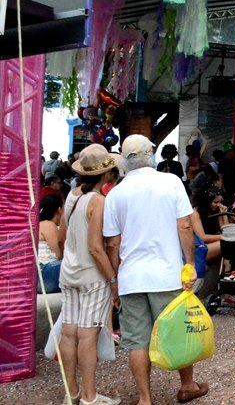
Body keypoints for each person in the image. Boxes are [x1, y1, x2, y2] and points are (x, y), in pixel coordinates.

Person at [102, 135, 207, 405]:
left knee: (137, 341)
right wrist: (190, 264)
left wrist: (115, 281)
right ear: (151, 154)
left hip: (132, 278)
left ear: (124, 161)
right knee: (178, 331)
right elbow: (185, 226)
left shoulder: (116, 193)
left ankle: (145, 398)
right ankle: (186, 386)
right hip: (167, 274)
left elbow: (112, 244)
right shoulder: (170, 182)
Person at [59, 144, 121, 405]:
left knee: (68, 332)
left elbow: (62, 237)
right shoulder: (98, 201)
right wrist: (112, 279)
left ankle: (71, 392)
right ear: (106, 174)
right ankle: (89, 396)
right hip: (92, 277)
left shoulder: (72, 196)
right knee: (88, 334)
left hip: (68, 273)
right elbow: (97, 247)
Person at [38, 194, 65, 293]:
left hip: (39, 275)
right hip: (45, 273)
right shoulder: (48, 225)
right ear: (59, 210)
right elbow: (60, 254)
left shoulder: (39, 224)